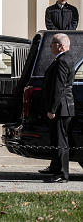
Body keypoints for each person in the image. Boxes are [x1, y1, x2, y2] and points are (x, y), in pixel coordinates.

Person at [41, 33, 75, 183]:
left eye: (52, 43)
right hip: (63, 106)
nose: (50, 46)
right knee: (56, 140)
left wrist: (52, 109)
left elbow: (58, 87)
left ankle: (62, 174)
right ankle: (56, 169)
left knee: (60, 141)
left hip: (61, 108)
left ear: (60, 45)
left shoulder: (62, 61)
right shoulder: (64, 58)